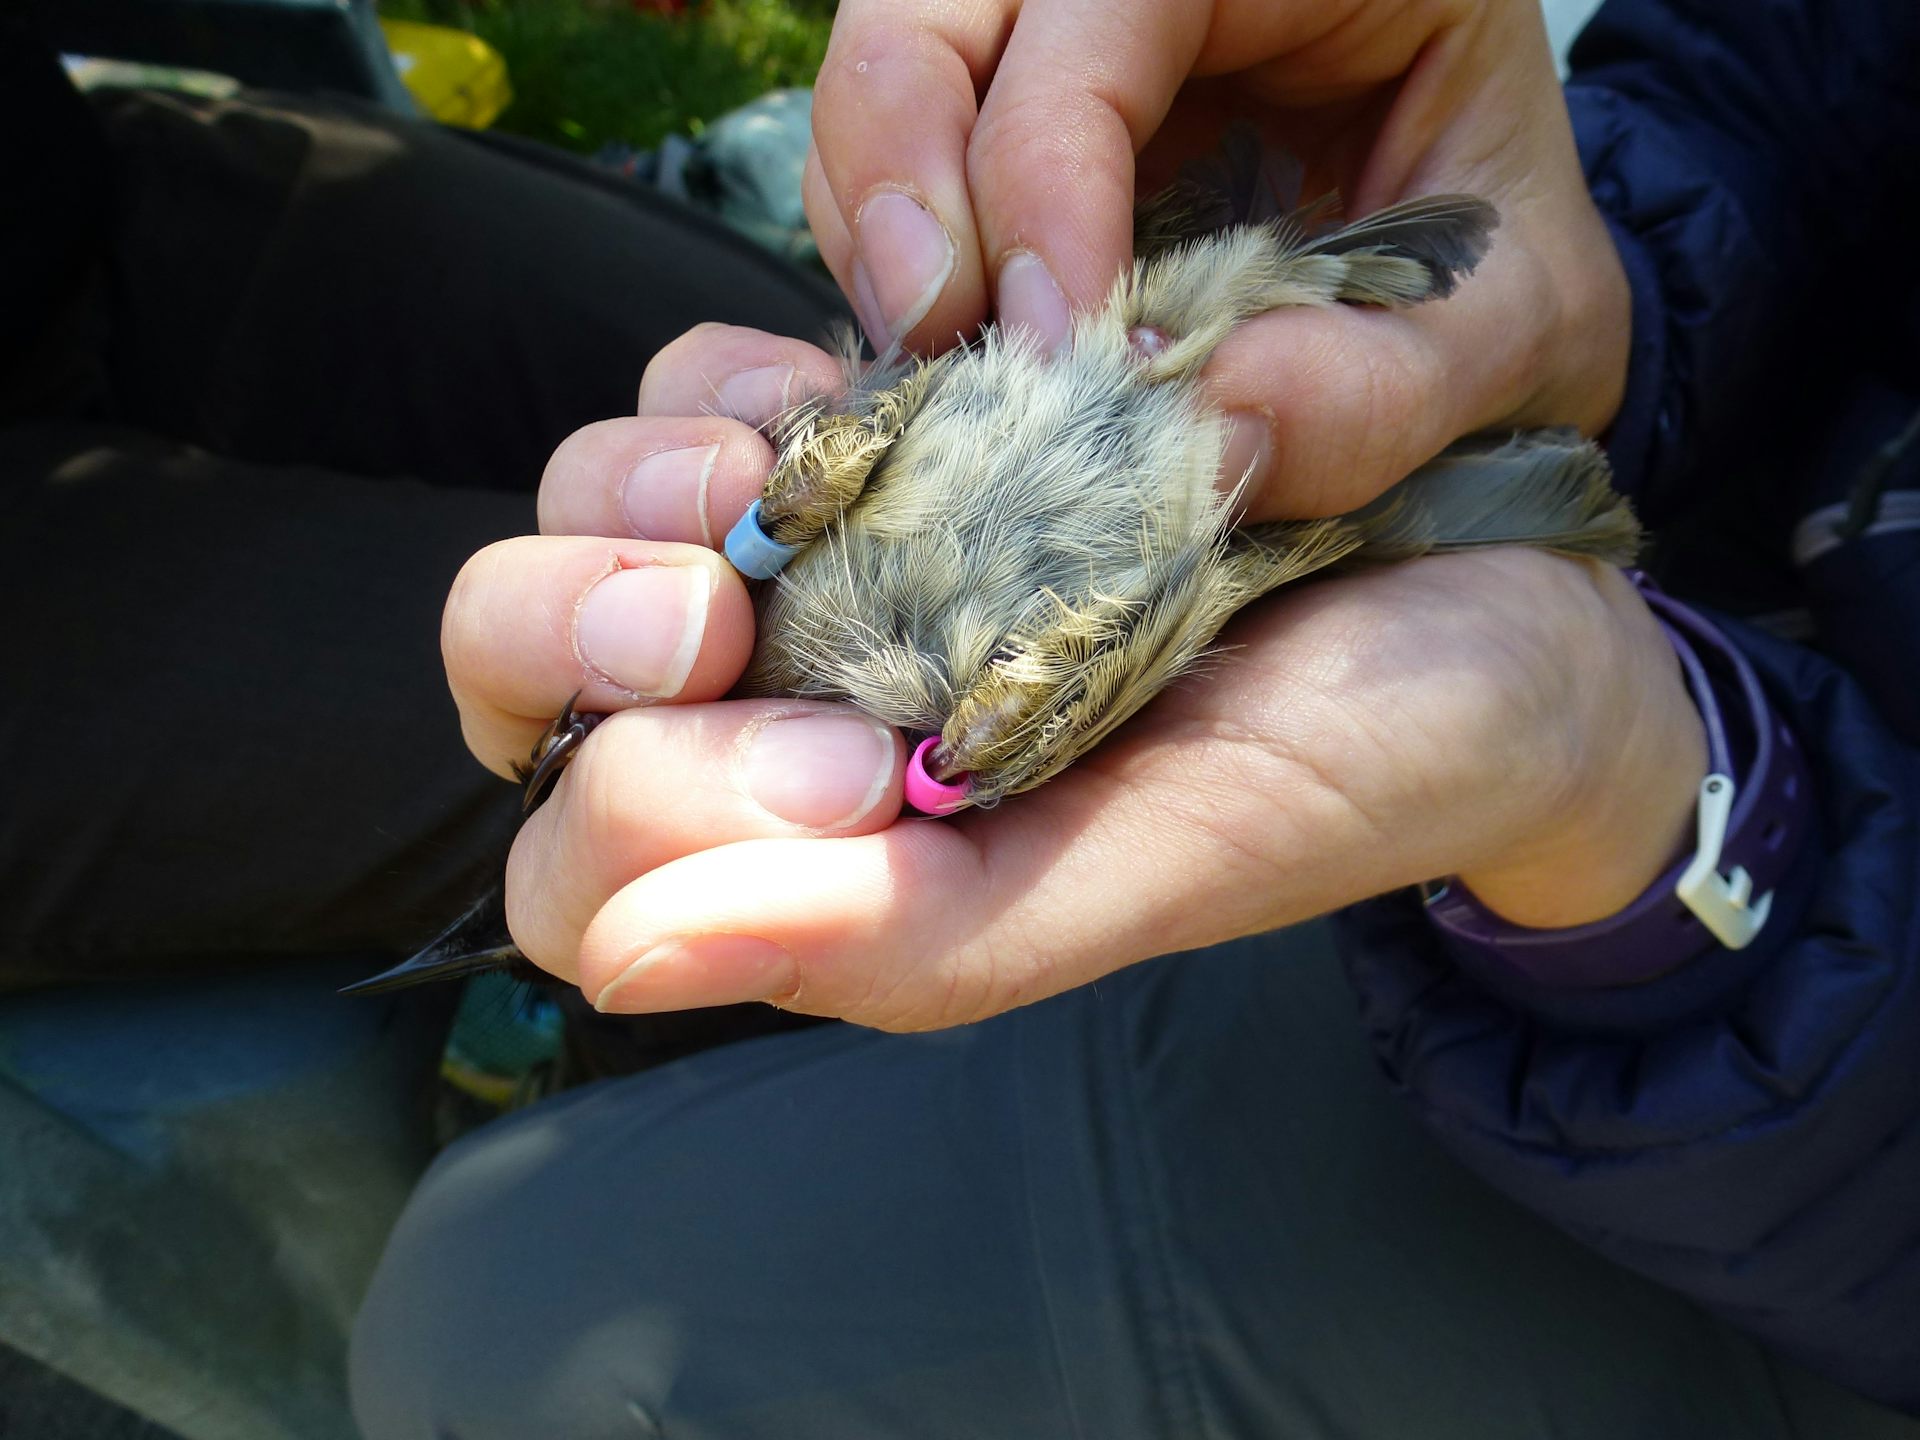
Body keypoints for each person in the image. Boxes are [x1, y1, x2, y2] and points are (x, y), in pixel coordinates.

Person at [348, 0, 1920, 1432]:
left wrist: (1652, 801)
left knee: (507, 1319)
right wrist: (1601, 295)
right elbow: (1801, 81)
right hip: (1272, 504)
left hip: (1805, 1172)